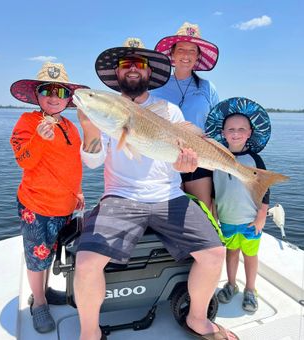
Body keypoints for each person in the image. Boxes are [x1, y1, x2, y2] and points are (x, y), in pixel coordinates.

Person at [74, 38, 239, 340]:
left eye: (140, 64)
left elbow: (182, 163)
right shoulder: (108, 112)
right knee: (85, 264)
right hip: (121, 198)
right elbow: (95, 162)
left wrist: (186, 165)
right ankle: (89, 333)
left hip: (169, 196)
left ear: (149, 72)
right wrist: (88, 129)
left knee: (215, 252)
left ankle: (197, 318)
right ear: (117, 74)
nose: (133, 69)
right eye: (127, 64)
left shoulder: (169, 110)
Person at [10, 62, 89, 333]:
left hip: (63, 206)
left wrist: (77, 191)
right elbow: (24, 161)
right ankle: (39, 303)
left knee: (51, 254)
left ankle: (42, 291)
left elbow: (73, 164)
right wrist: (39, 139)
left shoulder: (71, 125)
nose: (54, 97)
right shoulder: (27, 122)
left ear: (68, 99)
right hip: (36, 205)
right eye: (47, 90)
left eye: (61, 92)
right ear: (37, 95)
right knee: (37, 258)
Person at [205, 97, 271, 313]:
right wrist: (213, 213)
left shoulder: (255, 160)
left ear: (249, 133)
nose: (236, 132)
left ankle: (251, 289)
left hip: (250, 221)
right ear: (223, 133)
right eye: (231, 129)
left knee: (250, 256)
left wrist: (262, 215)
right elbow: (214, 190)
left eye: (241, 129)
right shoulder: (216, 157)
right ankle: (231, 285)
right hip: (226, 219)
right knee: (231, 253)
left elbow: (265, 189)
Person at [152, 22, 220, 209]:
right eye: (181, 49)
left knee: (204, 211)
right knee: (170, 213)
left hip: (200, 158)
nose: (186, 55)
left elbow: (217, 125)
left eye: (192, 51)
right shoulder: (155, 87)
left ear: (198, 56)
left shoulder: (207, 87)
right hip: (165, 157)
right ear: (172, 54)